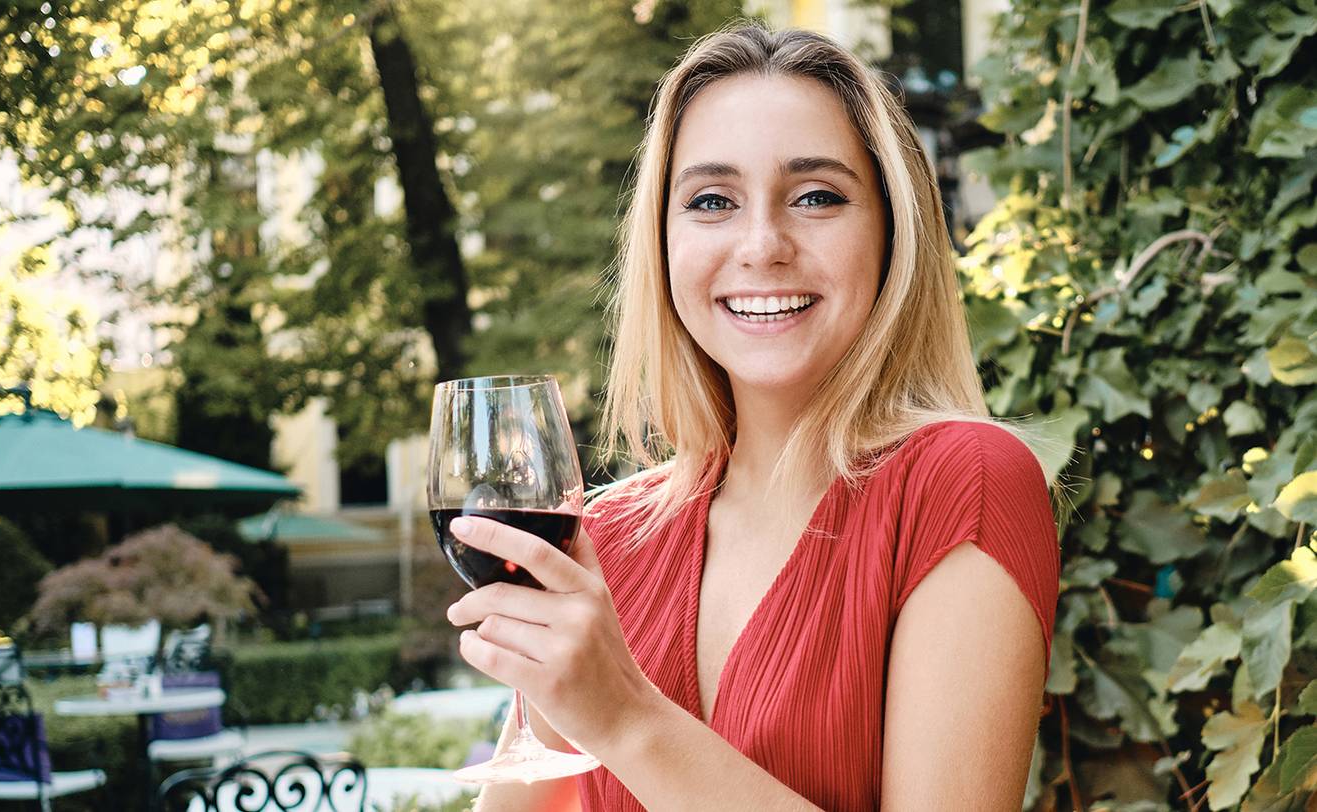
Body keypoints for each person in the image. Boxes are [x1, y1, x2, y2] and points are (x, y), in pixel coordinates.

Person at [445, 23, 1060, 811]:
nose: (762, 244)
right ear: (663, 244)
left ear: (891, 232)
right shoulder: (607, 538)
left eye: (816, 197)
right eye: (711, 201)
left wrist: (626, 717)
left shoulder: (962, 485)